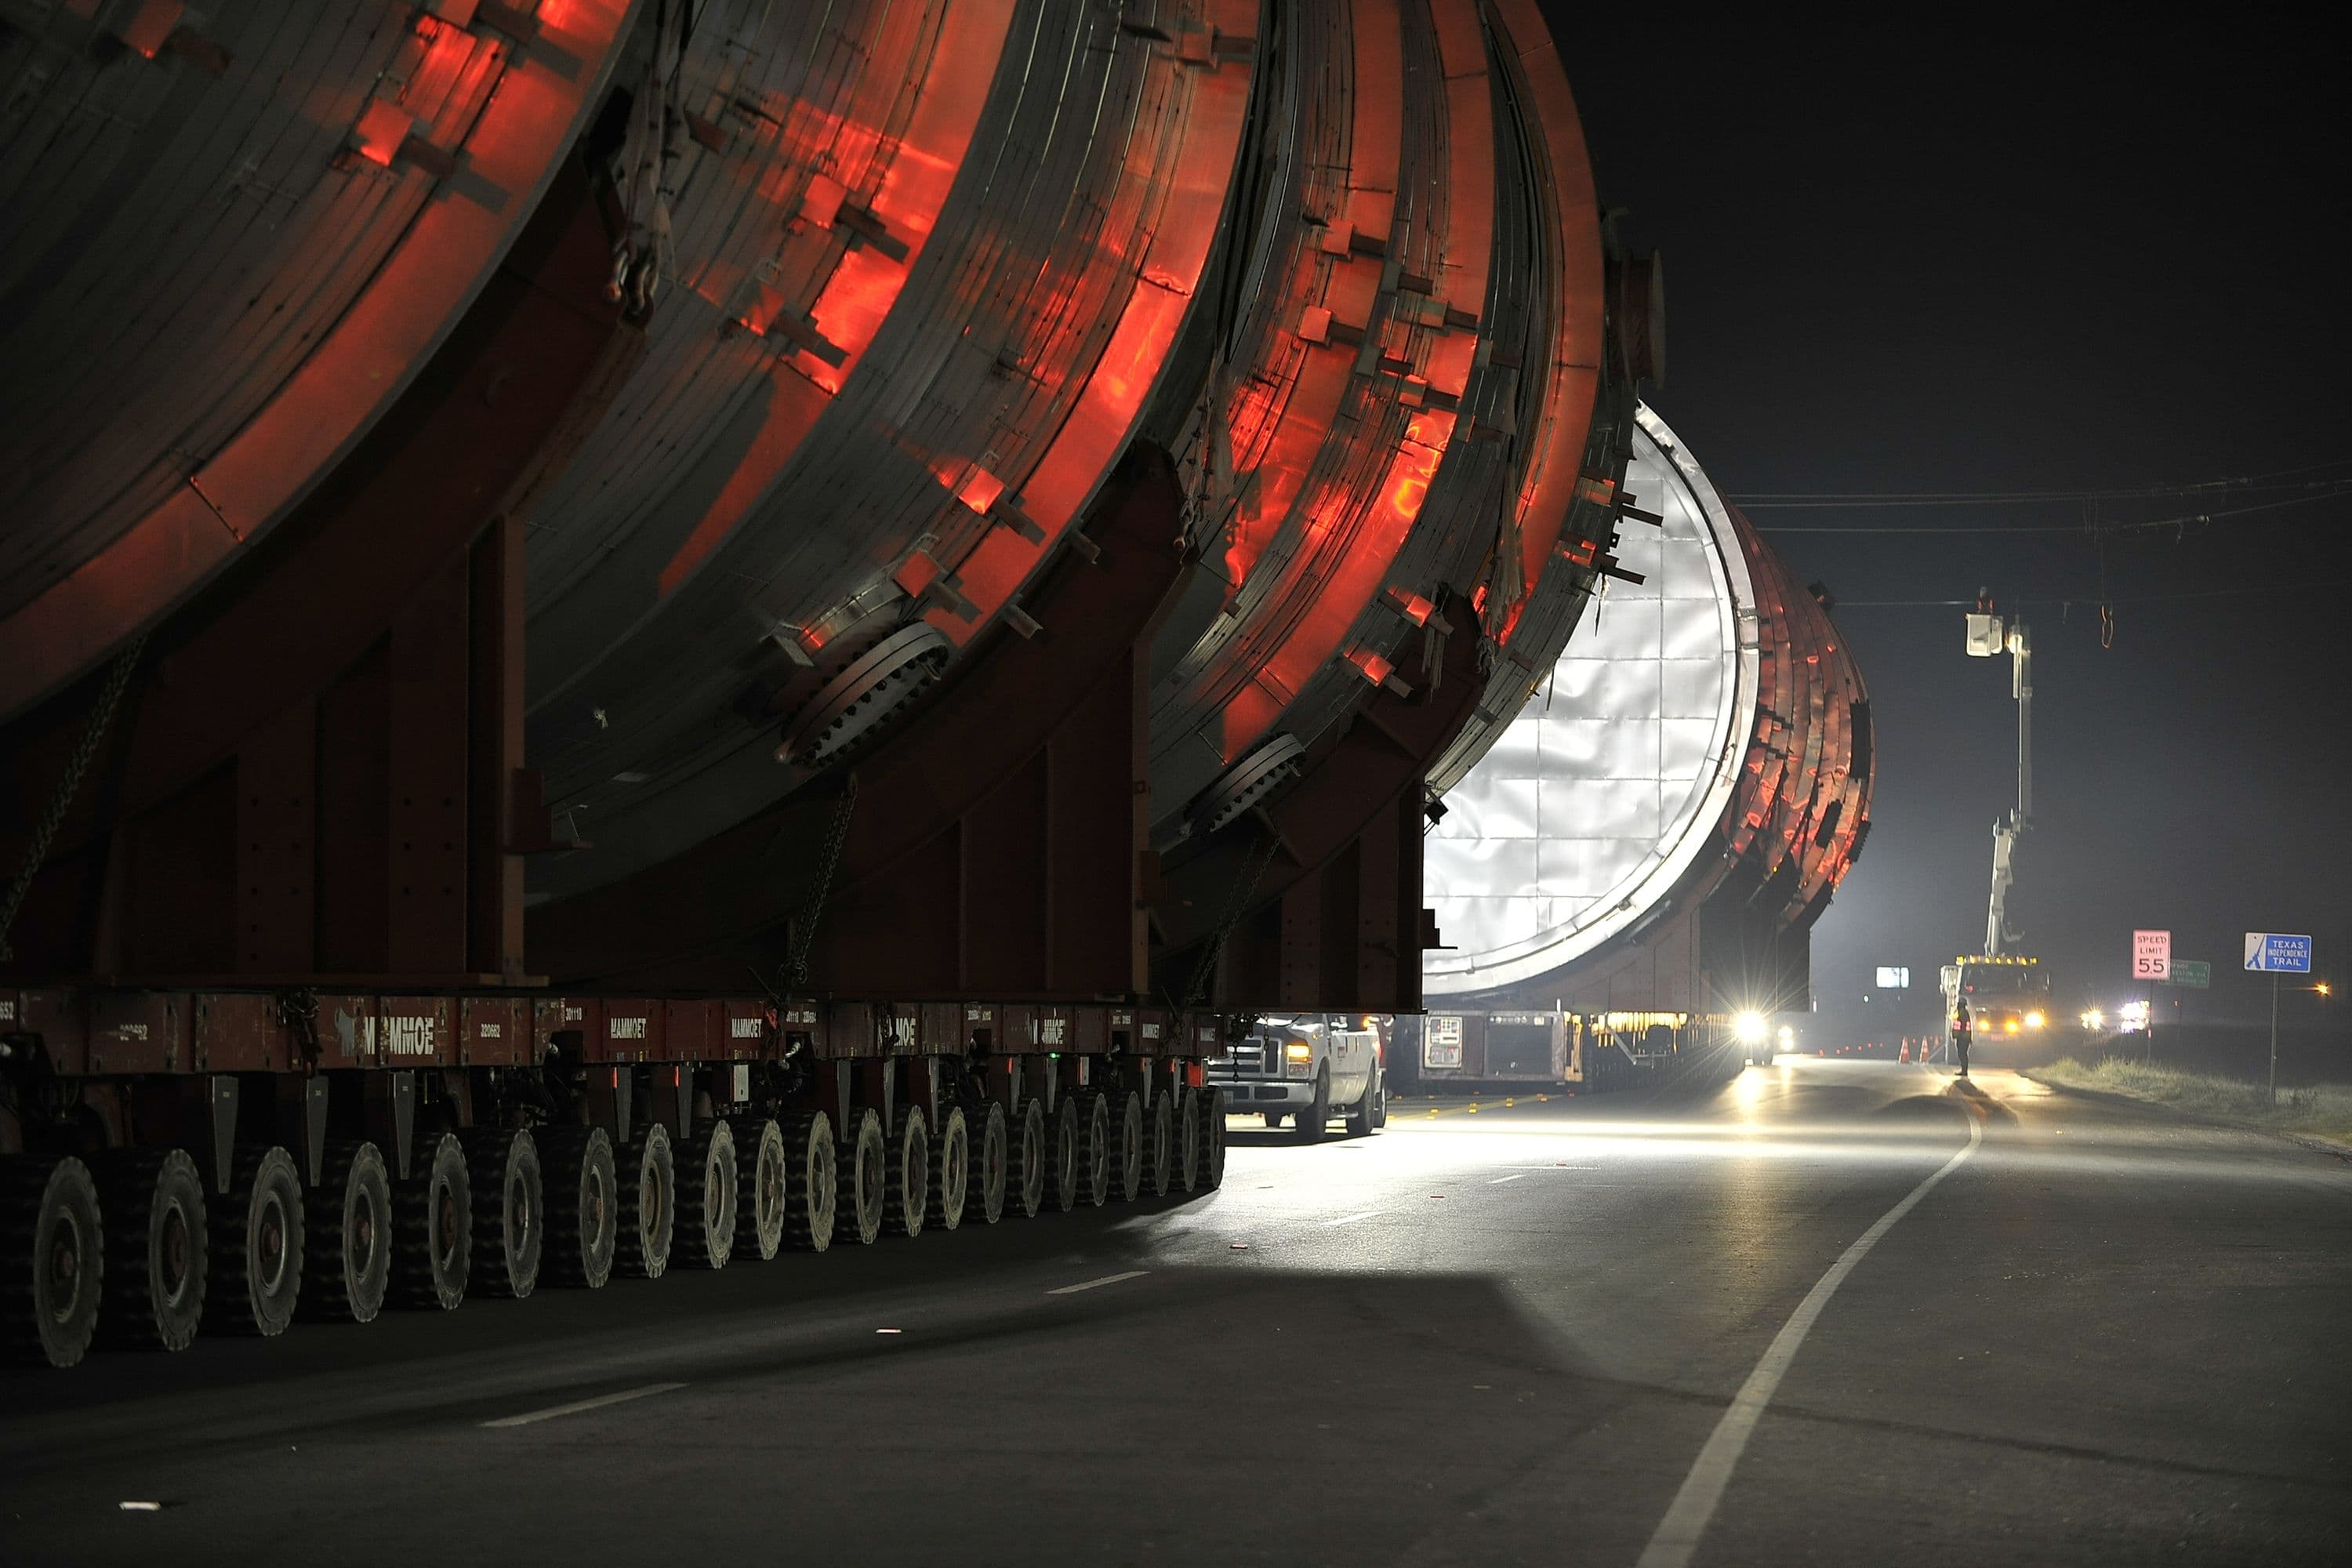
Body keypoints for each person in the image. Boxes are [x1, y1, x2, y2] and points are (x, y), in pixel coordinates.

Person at [1951, 997, 1973, 1078]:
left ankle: (1964, 1071)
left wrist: (1959, 1034)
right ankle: (1964, 1070)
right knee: (1962, 1053)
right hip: (1964, 1037)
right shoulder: (1962, 1012)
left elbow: (1963, 1026)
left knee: (1962, 1053)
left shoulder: (1962, 1013)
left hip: (1963, 1038)